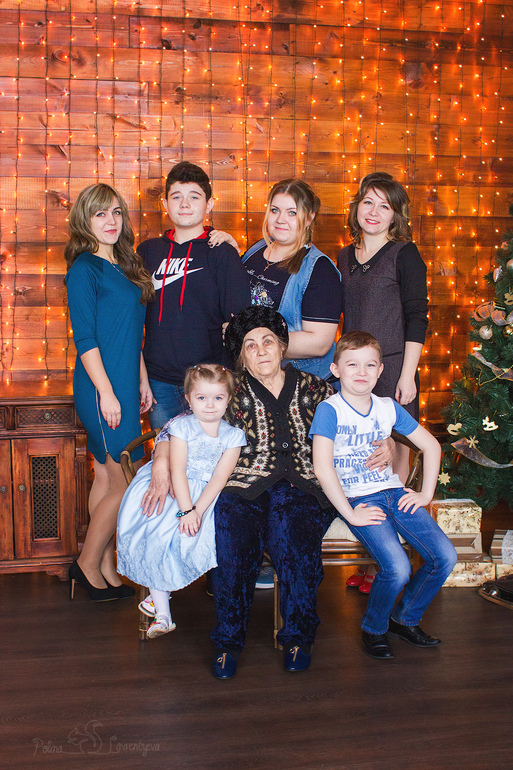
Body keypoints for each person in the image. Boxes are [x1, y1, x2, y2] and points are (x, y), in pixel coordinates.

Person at [310, 332, 457, 661]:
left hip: (393, 491)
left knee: (445, 557)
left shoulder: (388, 408)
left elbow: (431, 446)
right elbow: (322, 467)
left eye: (369, 365)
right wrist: (350, 513)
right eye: (352, 364)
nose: (361, 372)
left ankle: (404, 619)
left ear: (380, 371)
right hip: (358, 499)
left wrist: (425, 494)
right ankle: (374, 628)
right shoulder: (330, 410)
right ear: (336, 369)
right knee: (398, 568)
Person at [337, 172, 428, 593]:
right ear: (357, 207)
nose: (374, 212)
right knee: (361, 461)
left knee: (393, 462)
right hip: (355, 370)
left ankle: (388, 566)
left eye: (384, 206)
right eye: (368, 202)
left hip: (393, 369)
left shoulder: (404, 254)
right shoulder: (344, 256)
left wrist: (407, 374)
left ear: (396, 215)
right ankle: (374, 555)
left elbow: (417, 317)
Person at [64, 183, 155, 601]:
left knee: (105, 474)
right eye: (100, 214)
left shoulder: (125, 263)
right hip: (100, 386)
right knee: (124, 481)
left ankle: (103, 567)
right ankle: (86, 565)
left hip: (124, 382)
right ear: (85, 220)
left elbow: (131, 333)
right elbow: (86, 339)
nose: (111, 221)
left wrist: (141, 379)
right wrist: (107, 392)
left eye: (116, 212)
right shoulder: (84, 268)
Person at [116, 364, 246, 638]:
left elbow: (219, 478)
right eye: (201, 397)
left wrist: (197, 511)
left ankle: (158, 595)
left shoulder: (233, 436)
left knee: (194, 534)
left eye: (218, 398)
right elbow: (177, 471)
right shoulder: (181, 427)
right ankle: (163, 614)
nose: (209, 405)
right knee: (158, 531)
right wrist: (186, 510)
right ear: (188, 399)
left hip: (205, 496)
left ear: (228, 399)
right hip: (178, 489)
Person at [138, 161, 251, 430]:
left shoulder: (222, 252)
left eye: (194, 197)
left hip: (210, 382)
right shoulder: (147, 252)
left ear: (209, 204)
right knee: (166, 451)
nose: (185, 204)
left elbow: (238, 323)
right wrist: (141, 378)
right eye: (177, 197)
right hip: (160, 381)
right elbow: (131, 319)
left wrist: (228, 379)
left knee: (210, 453)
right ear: (165, 204)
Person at [211, 178, 342, 380]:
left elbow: (319, 343)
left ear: (309, 218)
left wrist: (244, 335)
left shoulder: (320, 269)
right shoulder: (257, 249)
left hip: (296, 382)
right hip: (254, 377)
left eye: (292, 213)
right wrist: (231, 254)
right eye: (275, 210)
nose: (281, 219)